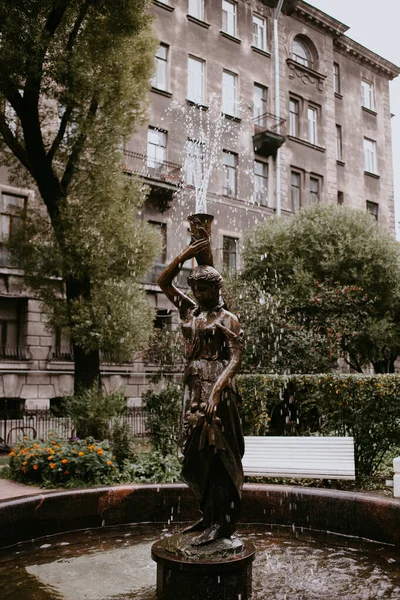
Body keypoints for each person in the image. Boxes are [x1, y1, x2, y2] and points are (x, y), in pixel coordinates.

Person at [158, 236, 244, 546]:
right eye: (194, 289)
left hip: (217, 388)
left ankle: (221, 522)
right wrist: (185, 255)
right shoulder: (192, 311)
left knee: (216, 455)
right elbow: (163, 281)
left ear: (217, 289)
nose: (197, 294)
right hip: (193, 384)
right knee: (193, 453)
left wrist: (216, 393)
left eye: (203, 289)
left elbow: (235, 359)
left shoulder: (227, 319)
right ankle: (208, 514)